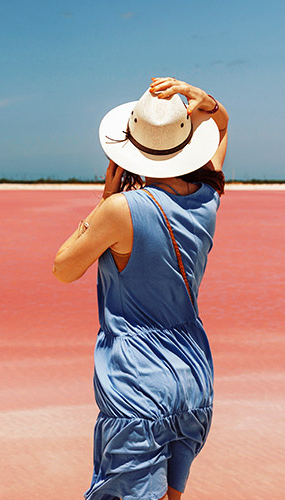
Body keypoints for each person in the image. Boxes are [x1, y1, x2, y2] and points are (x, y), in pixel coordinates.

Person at [53, 77, 229, 500]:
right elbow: (221, 128)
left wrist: (105, 197)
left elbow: (63, 267)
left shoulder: (120, 210)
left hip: (138, 385)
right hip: (193, 381)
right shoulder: (208, 198)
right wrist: (207, 102)